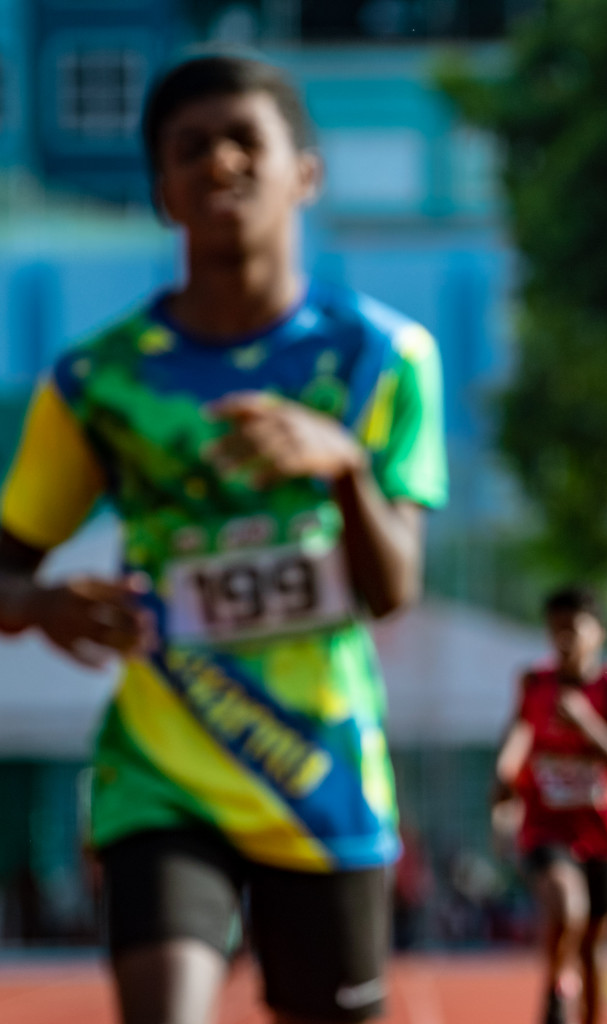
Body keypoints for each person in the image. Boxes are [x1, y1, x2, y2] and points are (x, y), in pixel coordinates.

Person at [0, 54, 447, 1024]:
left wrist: (341, 466)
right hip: (162, 772)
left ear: (307, 173)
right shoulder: (97, 383)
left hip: (321, 772)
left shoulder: (384, 359)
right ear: (163, 190)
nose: (220, 163)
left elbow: (392, 587)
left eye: (248, 140)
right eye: (190, 149)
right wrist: (35, 602)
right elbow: (5, 565)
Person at [492, 587, 607, 1024]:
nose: (562, 639)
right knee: (567, 906)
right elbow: (513, 745)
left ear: (599, 633)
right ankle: (559, 982)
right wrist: (501, 793)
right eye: (554, 628)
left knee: (596, 947)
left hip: (603, 835)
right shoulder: (534, 684)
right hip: (546, 829)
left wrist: (586, 724)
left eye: (572, 628)